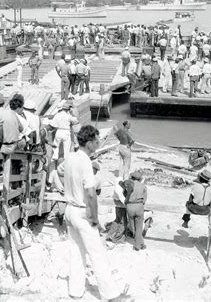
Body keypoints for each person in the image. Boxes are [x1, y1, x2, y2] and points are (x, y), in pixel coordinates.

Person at [63, 125, 127, 300]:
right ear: (90, 143)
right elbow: (91, 193)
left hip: (69, 209)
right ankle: (111, 294)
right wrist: (94, 217)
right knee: (97, 254)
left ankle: (75, 291)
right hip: (83, 210)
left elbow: (60, 172)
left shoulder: (71, 156)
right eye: (97, 141)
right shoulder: (85, 161)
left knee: (76, 252)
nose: (99, 143)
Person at [125, 171, 147, 251]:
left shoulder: (128, 185)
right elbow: (144, 199)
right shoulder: (143, 186)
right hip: (139, 206)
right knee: (139, 227)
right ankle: (139, 244)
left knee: (132, 226)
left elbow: (125, 195)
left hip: (130, 206)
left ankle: (140, 243)